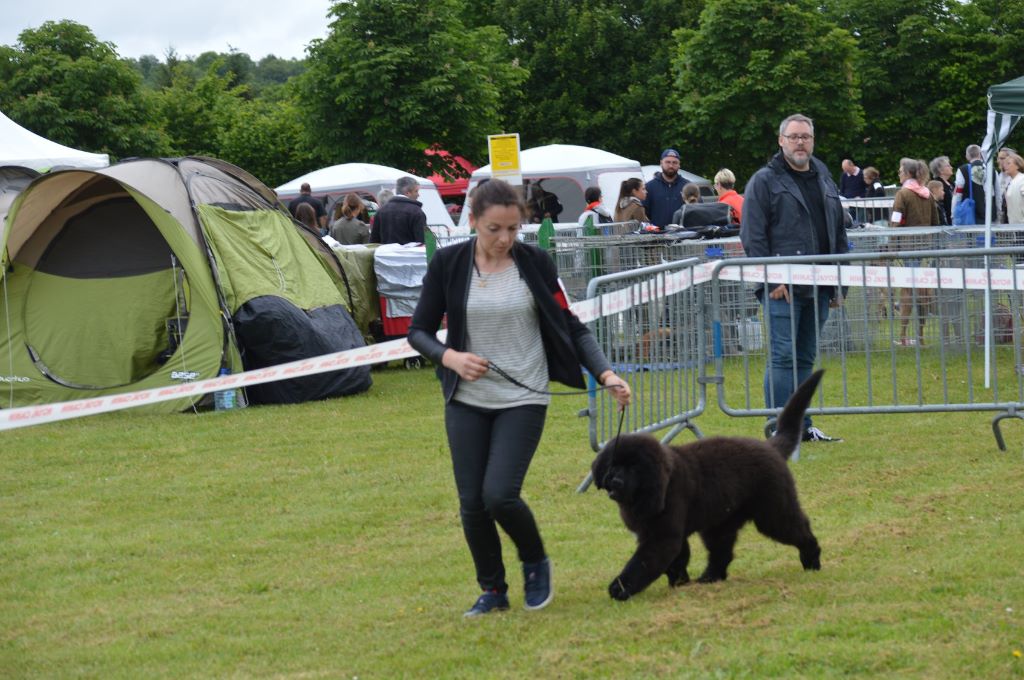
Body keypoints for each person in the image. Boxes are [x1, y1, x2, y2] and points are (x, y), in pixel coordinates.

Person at [407, 178, 632, 617]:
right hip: (467, 397)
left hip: (523, 396)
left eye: (513, 229)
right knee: (471, 501)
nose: (505, 239)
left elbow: (572, 327)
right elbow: (418, 331)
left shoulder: (536, 263)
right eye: (494, 229)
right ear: (472, 222)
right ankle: (492, 591)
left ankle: (535, 561)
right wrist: (450, 357)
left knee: (499, 495)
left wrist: (605, 373)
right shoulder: (449, 264)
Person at [740, 113, 848, 443]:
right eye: (794, 136)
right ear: (781, 141)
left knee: (804, 358)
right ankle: (779, 429)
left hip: (819, 285)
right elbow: (752, 236)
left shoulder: (824, 177)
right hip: (781, 289)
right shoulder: (763, 181)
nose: (800, 142)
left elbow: (838, 231)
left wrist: (839, 281)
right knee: (783, 357)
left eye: (806, 137)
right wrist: (772, 280)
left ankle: (802, 426)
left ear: (813, 141)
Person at [891, 158, 940, 346]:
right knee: (922, 292)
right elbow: (935, 222)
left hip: (907, 249)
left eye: (900, 170)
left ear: (908, 173)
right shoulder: (928, 194)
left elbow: (896, 221)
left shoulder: (902, 193)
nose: (899, 173)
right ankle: (920, 335)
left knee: (907, 292)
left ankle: (903, 335)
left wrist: (891, 246)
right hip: (924, 249)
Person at [369, 176, 427, 245]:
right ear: (408, 193)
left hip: (386, 254)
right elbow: (422, 241)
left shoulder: (381, 211)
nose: (418, 195)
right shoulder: (416, 212)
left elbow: (374, 241)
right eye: (416, 191)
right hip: (410, 254)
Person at [643, 148, 688, 228]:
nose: (671, 165)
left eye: (674, 162)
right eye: (667, 162)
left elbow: (697, 211)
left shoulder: (688, 186)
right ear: (661, 163)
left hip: (684, 235)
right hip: (656, 236)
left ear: (679, 164)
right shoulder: (649, 187)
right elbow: (643, 214)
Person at [951, 144, 987, 225]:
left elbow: (958, 193)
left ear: (967, 156)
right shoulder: (991, 170)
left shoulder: (962, 170)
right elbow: (997, 192)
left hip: (970, 213)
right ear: (980, 154)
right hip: (989, 212)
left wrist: (953, 213)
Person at [929, 156, 955, 225]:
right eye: (948, 166)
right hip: (945, 222)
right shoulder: (936, 184)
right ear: (940, 170)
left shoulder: (952, 183)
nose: (951, 167)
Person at [1003, 151, 1024, 225]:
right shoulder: (1011, 182)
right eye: (1005, 164)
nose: (1005, 166)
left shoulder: (1022, 179)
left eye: (1009, 163)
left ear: (1017, 166)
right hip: (1014, 225)